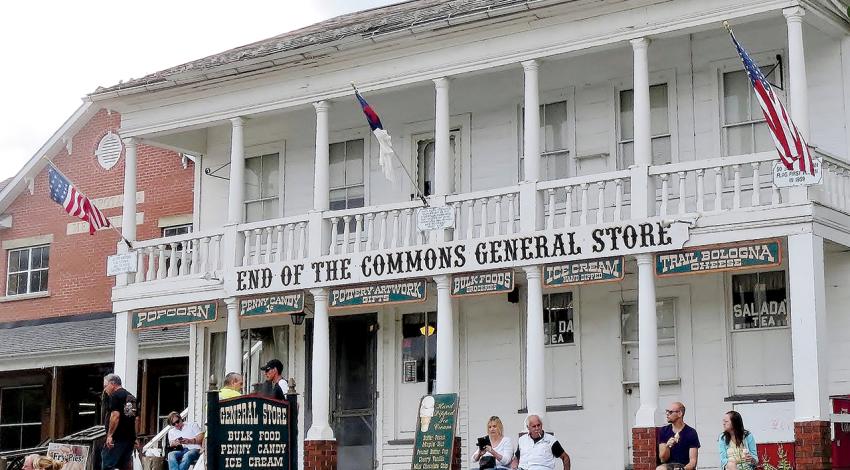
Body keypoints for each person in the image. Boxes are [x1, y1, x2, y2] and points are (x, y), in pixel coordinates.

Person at [101, 374, 137, 470]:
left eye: (105, 386)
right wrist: (135, 436)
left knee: (107, 465)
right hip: (129, 438)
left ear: (112, 384)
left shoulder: (115, 396)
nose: (105, 389)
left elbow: (115, 416)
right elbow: (133, 418)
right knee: (124, 466)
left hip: (117, 438)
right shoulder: (131, 397)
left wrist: (110, 435)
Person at [657, 401, 700, 470]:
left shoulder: (691, 432)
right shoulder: (664, 431)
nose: (667, 414)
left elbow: (693, 462)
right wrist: (667, 446)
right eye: (667, 411)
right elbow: (663, 459)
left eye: (670, 412)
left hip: (684, 466)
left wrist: (682, 469)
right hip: (668, 466)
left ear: (680, 413)